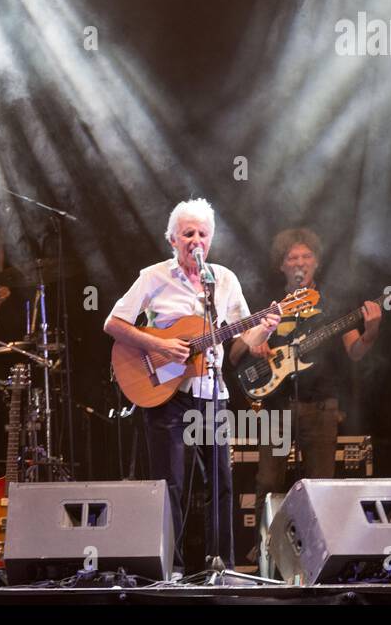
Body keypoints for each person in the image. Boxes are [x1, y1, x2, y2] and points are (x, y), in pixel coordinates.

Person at [103, 198, 279, 572]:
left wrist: (266, 327)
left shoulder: (225, 280)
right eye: (188, 233)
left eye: (202, 233)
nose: (195, 240)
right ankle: (171, 570)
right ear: (172, 239)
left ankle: (223, 567)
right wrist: (159, 344)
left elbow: (242, 340)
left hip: (212, 396)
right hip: (168, 397)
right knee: (172, 487)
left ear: (210, 240)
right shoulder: (153, 277)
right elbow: (113, 324)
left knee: (221, 485)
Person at [229, 227, 380, 510]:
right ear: (281, 265)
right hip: (276, 406)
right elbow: (234, 353)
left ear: (316, 262)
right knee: (268, 484)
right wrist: (253, 342)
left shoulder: (332, 304)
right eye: (292, 257)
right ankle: (266, 551)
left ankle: (316, 552)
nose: (300, 262)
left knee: (321, 487)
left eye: (306, 256)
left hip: (321, 406)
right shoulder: (268, 303)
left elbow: (355, 351)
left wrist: (371, 332)